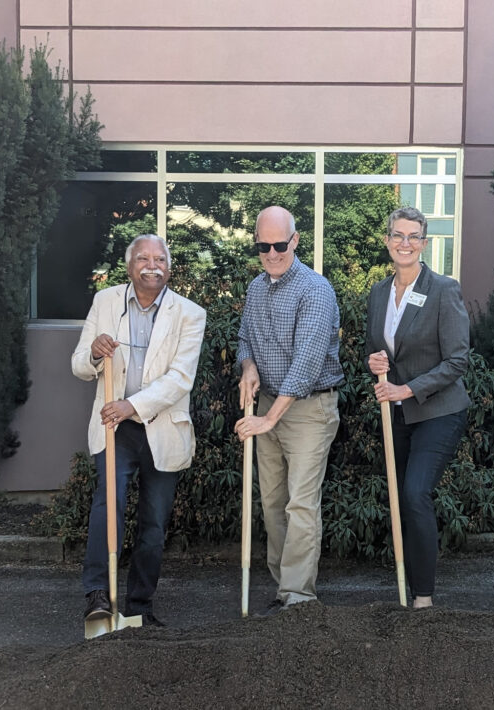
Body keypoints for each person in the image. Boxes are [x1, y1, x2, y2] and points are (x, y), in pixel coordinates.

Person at [72, 234, 207, 626]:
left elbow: (181, 379)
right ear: (130, 266)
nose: (153, 265)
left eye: (160, 259)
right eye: (144, 258)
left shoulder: (189, 314)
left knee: (154, 521)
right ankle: (98, 595)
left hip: (161, 428)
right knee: (107, 506)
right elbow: (79, 365)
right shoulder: (106, 302)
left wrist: (133, 404)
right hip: (114, 427)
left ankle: (139, 607)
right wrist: (95, 353)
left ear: (169, 267)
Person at [234, 206, 343, 614]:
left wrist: (268, 419)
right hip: (267, 403)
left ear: (295, 241)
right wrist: (247, 366)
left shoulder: (316, 290)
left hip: (309, 408)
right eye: (264, 246)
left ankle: (298, 598)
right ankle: (284, 588)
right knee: (272, 502)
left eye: (280, 244)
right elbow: (244, 337)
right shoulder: (255, 289)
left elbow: (305, 366)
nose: (273, 253)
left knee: (300, 502)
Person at [365, 206, 471, 608]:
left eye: (413, 237)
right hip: (397, 414)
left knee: (414, 493)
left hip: (438, 411)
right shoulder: (378, 293)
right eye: (398, 235)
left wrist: (407, 389)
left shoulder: (443, 289)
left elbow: (457, 361)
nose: (404, 243)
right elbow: (373, 352)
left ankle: (424, 598)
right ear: (388, 240)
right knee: (400, 498)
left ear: (424, 244)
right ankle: (406, 588)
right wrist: (373, 362)